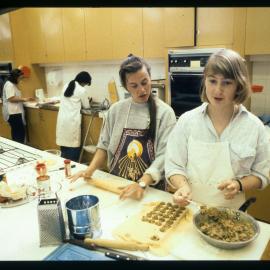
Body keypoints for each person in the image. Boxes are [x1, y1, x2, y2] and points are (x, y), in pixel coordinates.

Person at [165, 48, 270, 209]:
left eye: (227, 83)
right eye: (212, 81)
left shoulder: (254, 127)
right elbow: (174, 165)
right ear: (205, 81)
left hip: (232, 217)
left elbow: (261, 174)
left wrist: (239, 184)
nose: (218, 90)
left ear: (239, 86)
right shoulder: (187, 121)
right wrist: (182, 186)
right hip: (190, 211)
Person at [70, 54, 176, 200]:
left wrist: (142, 183)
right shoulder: (116, 110)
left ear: (151, 79)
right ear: (126, 86)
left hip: (149, 190)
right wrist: (89, 170)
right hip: (117, 187)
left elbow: (164, 156)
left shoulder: (165, 113)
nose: (142, 90)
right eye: (134, 86)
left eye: (145, 82)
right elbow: (104, 145)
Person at [56, 71, 92, 162]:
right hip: (72, 120)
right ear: (84, 82)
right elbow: (87, 107)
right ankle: (72, 166)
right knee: (72, 145)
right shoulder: (81, 90)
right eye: (86, 84)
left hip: (62, 119)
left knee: (64, 145)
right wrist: (88, 101)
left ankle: (64, 165)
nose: (85, 86)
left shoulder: (67, 85)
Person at [2, 68, 34, 143]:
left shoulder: (11, 84)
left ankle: (17, 148)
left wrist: (24, 99)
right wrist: (25, 99)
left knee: (16, 133)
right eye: (20, 78)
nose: (20, 80)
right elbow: (11, 98)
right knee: (19, 134)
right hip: (13, 113)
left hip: (15, 113)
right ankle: (19, 150)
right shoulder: (10, 85)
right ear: (15, 77)